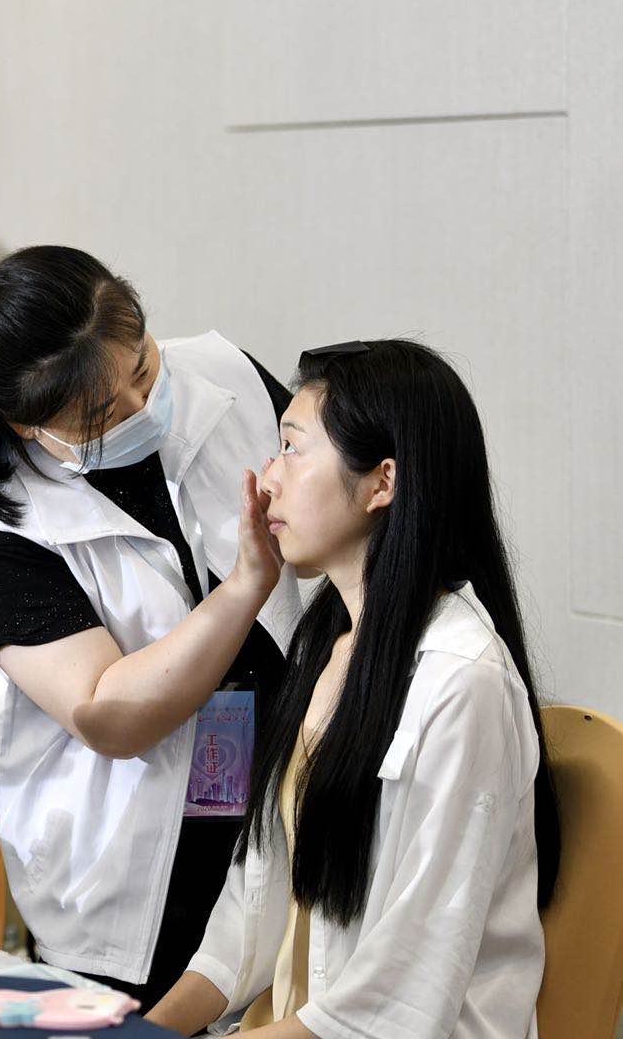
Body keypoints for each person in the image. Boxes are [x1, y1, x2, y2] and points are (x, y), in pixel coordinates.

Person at [0, 246, 304, 1003]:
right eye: (99, 416)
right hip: (130, 863)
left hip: (271, 793)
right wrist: (245, 588)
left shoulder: (226, 376)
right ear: (21, 422)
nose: (140, 410)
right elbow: (107, 713)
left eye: (145, 371)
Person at [147, 340, 559, 1039]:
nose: (267, 480)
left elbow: (401, 996)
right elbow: (247, 920)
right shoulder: (323, 644)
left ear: (381, 483)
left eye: (291, 448)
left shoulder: (461, 680)